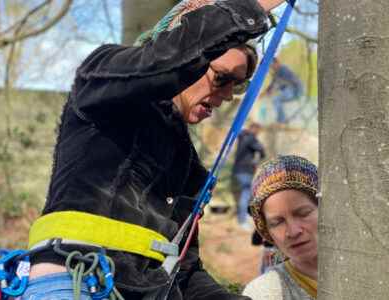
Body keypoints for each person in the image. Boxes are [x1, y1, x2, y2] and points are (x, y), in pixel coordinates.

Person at [19, 1, 288, 299]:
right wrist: (247, 8)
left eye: (237, 87)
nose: (227, 95)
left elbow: (183, 274)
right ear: (190, 55)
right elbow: (160, 63)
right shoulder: (102, 85)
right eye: (222, 78)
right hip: (72, 280)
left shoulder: (186, 164)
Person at [242, 155, 318, 299]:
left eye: (303, 213)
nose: (293, 231)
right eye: (277, 222)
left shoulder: (368, 268)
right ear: (267, 232)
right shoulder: (264, 293)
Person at [231, 122, 265, 229]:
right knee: (246, 195)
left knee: (246, 194)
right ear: (255, 130)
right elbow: (262, 150)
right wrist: (255, 162)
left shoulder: (242, 136)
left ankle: (244, 215)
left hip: (238, 170)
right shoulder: (251, 138)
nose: (258, 134)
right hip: (245, 170)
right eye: (258, 131)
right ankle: (242, 220)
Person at [264, 59, 303, 123]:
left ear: (277, 63)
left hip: (295, 90)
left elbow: (284, 83)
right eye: (271, 66)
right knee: (277, 101)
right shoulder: (277, 72)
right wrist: (267, 91)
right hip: (289, 90)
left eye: (272, 65)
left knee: (276, 100)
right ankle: (283, 119)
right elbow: (272, 84)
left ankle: (281, 119)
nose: (272, 67)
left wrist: (274, 90)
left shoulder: (283, 69)